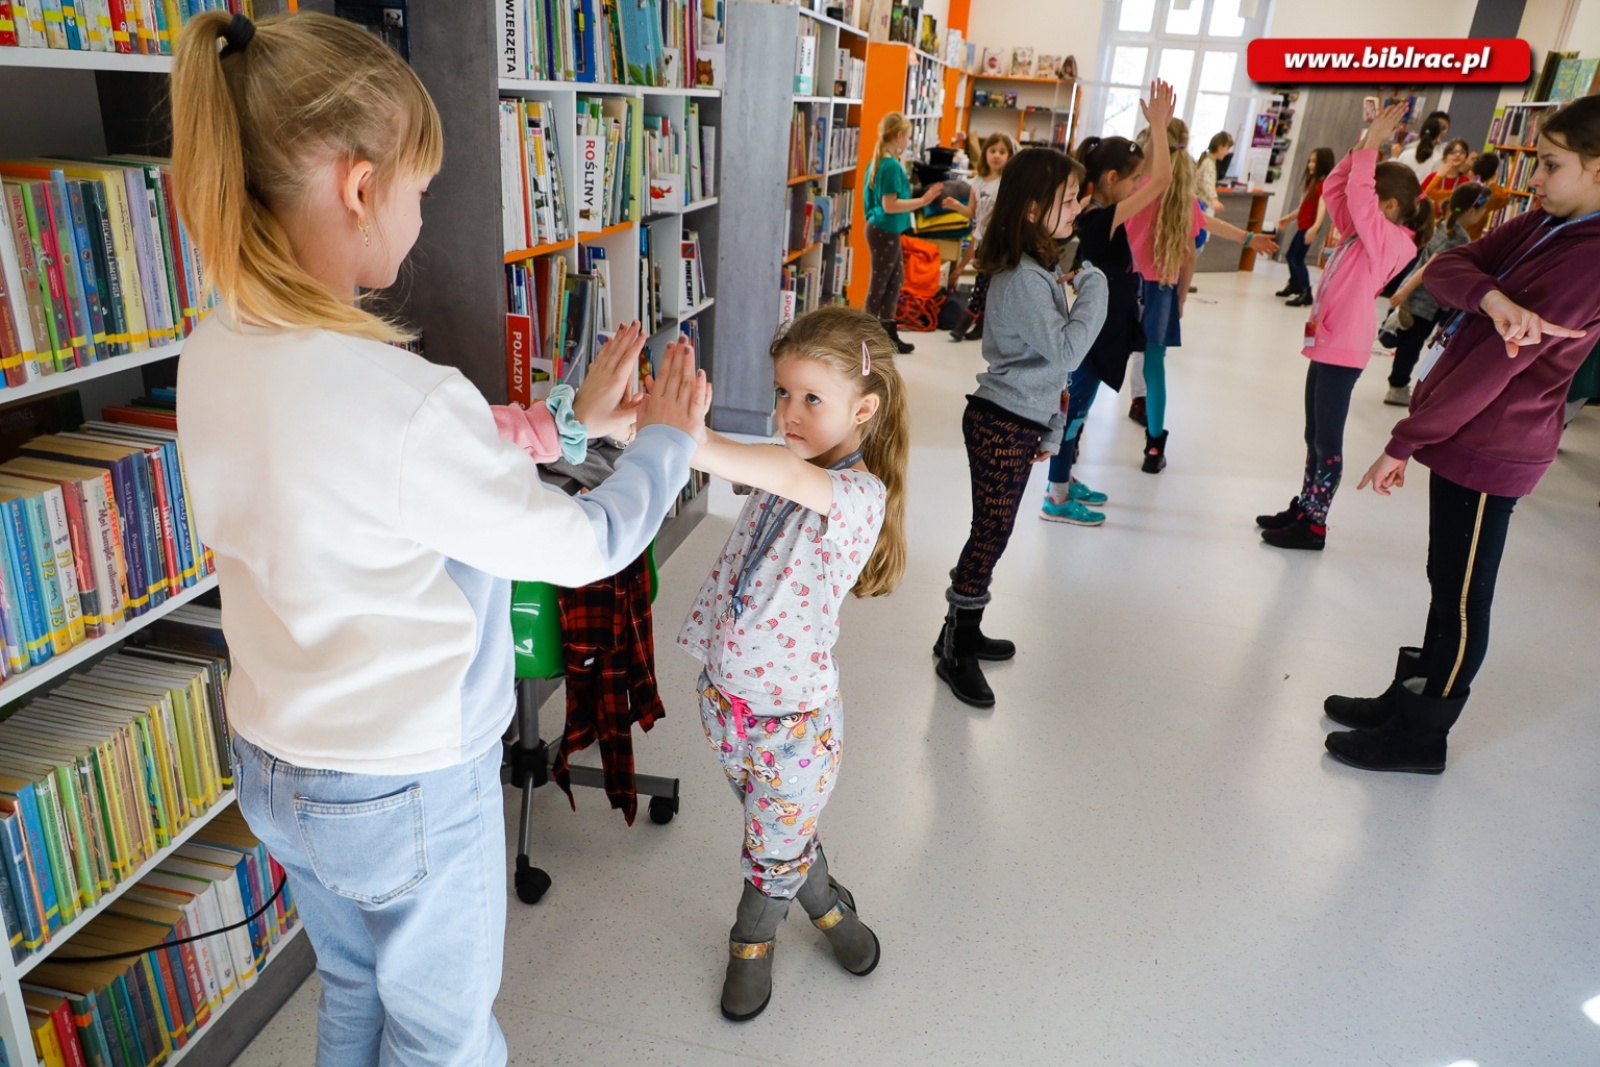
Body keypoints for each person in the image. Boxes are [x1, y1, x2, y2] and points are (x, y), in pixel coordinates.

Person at [169, 12, 710, 1067]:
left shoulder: (217, 345)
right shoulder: (403, 400)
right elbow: (582, 541)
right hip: (402, 781)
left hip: (279, 766)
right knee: (445, 1036)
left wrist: (562, 421)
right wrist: (665, 448)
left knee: (356, 986)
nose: (423, 214)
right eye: (422, 190)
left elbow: (392, 484)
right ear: (361, 188)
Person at [1326, 96, 1600, 774]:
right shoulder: (1546, 223)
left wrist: (1404, 439)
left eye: (1551, 164)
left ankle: (1422, 737)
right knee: (1444, 579)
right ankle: (1408, 700)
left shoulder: (1587, 259)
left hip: (1493, 446)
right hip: (1465, 437)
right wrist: (1496, 297)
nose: (1533, 178)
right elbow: (1444, 267)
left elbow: (1488, 371)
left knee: (1463, 597)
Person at [675, 307, 908, 1021]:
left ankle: (752, 938)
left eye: (811, 398)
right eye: (782, 393)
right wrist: (638, 424)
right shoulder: (793, 460)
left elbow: (768, 465)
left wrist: (691, 436)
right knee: (777, 831)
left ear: (863, 409)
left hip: (793, 725)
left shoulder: (857, 496)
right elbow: (750, 458)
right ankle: (829, 905)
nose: (789, 413)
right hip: (723, 700)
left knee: (770, 846)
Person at [934, 148, 1107, 708]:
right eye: (1067, 200)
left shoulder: (1037, 272)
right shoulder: (1027, 280)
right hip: (1002, 422)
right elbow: (1066, 352)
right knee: (991, 533)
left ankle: (963, 626)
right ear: (1032, 210)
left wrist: (1051, 431)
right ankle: (955, 646)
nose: (1078, 207)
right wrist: (1096, 291)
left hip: (1018, 420)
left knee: (995, 531)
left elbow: (1048, 371)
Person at [1255, 103, 1432, 551]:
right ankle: (1306, 506)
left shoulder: (1391, 242)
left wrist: (1374, 147)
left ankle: (1315, 525)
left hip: (1343, 349)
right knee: (1313, 434)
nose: (1359, 203)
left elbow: (1356, 194)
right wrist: (1360, 147)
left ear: (1387, 205)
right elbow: (1339, 186)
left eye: (1371, 198)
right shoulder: (1364, 230)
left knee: (1328, 440)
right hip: (1328, 343)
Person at [1039, 79, 1177, 527]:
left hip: (1104, 325)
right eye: (1131, 179)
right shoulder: (1099, 216)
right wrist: (1157, 125)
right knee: (1074, 412)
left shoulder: (1099, 209)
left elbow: (1152, 174)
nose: (1139, 185)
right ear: (1112, 180)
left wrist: (1155, 130)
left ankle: (1065, 476)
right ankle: (1055, 497)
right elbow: (1163, 179)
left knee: (1079, 411)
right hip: (1095, 330)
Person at [1123, 118, 1276, 472]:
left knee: (1101, 363)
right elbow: (1198, 238)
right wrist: (1180, 296)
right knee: (1154, 367)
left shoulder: (1136, 190)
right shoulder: (1180, 196)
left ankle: (1072, 437)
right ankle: (1154, 449)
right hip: (1161, 288)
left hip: (1127, 285)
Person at [1382, 183, 1492, 405]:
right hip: (1424, 302)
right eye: (1483, 211)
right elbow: (1430, 266)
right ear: (1473, 211)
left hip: (1418, 297)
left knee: (1407, 342)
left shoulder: (1443, 226)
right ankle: (1397, 387)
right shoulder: (1457, 237)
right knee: (1410, 346)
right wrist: (1404, 292)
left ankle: (1398, 382)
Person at [864, 112, 943, 354]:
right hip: (883, 230)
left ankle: (888, 332)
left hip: (886, 229)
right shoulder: (889, 165)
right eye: (908, 137)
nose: (908, 142)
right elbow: (890, 205)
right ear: (899, 136)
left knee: (895, 280)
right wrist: (923, 200)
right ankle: (864, 338)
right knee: (879, 284)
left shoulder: (883, 161)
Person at [946, 131, 1016, 342]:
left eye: (1002, 152)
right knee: (984, 282)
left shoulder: (1007, 181)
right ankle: (981, 325)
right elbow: (972, 212)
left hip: (999, 242)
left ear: (1009, 155)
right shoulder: (977, 181)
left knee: (985, 283)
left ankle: (966, 322)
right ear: (985, 154)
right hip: (982, 240)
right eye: (993, 151)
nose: (996, 155)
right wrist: (956, 206)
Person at [1276, 147, 1336, 305]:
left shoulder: (1323, 184)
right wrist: (1289, 218)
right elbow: (1303, 206)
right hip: (1303, 225)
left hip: (1308, 227)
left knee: (1297, 259)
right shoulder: (1312, 183)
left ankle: (1305, 292)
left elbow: (1323, 207)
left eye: (1314, 161)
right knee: (1291, 256)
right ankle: (1295, 284)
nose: (1310, 164)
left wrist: (1315, 227)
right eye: (1310, 161)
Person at [1435, 151, 1511, 238]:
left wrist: (1439, 175)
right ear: (1494, 175)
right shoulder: (1490, 197)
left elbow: (1430, 191)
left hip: (1448, 233)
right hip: (1471, 241)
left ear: (1471, 173)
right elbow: (1506, 199)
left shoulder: (1462, 190)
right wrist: (1492, 183)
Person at [1395, 111, 1448, 179]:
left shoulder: (1406, 153)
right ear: (1437, 135)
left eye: (1445, 128)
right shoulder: (1439, 159)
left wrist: (1394, 158)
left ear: (1421, 132)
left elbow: (1395, 175)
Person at [1419, 138, 1473, 205]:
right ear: (1444, 157)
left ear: (1466, 158)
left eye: (1462, 152)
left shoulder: (1465, 181)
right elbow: (1420, 197)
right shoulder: (1434, 176)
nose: (1457, 155)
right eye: (1452, 152)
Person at [1196, 131, 1233, 214]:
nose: (1228, 152)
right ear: (1220, 148)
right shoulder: (1209, 164)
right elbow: (1207, 183)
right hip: (1202, 205)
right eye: (1227, 148)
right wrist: (1214, 199)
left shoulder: (1207, 161)